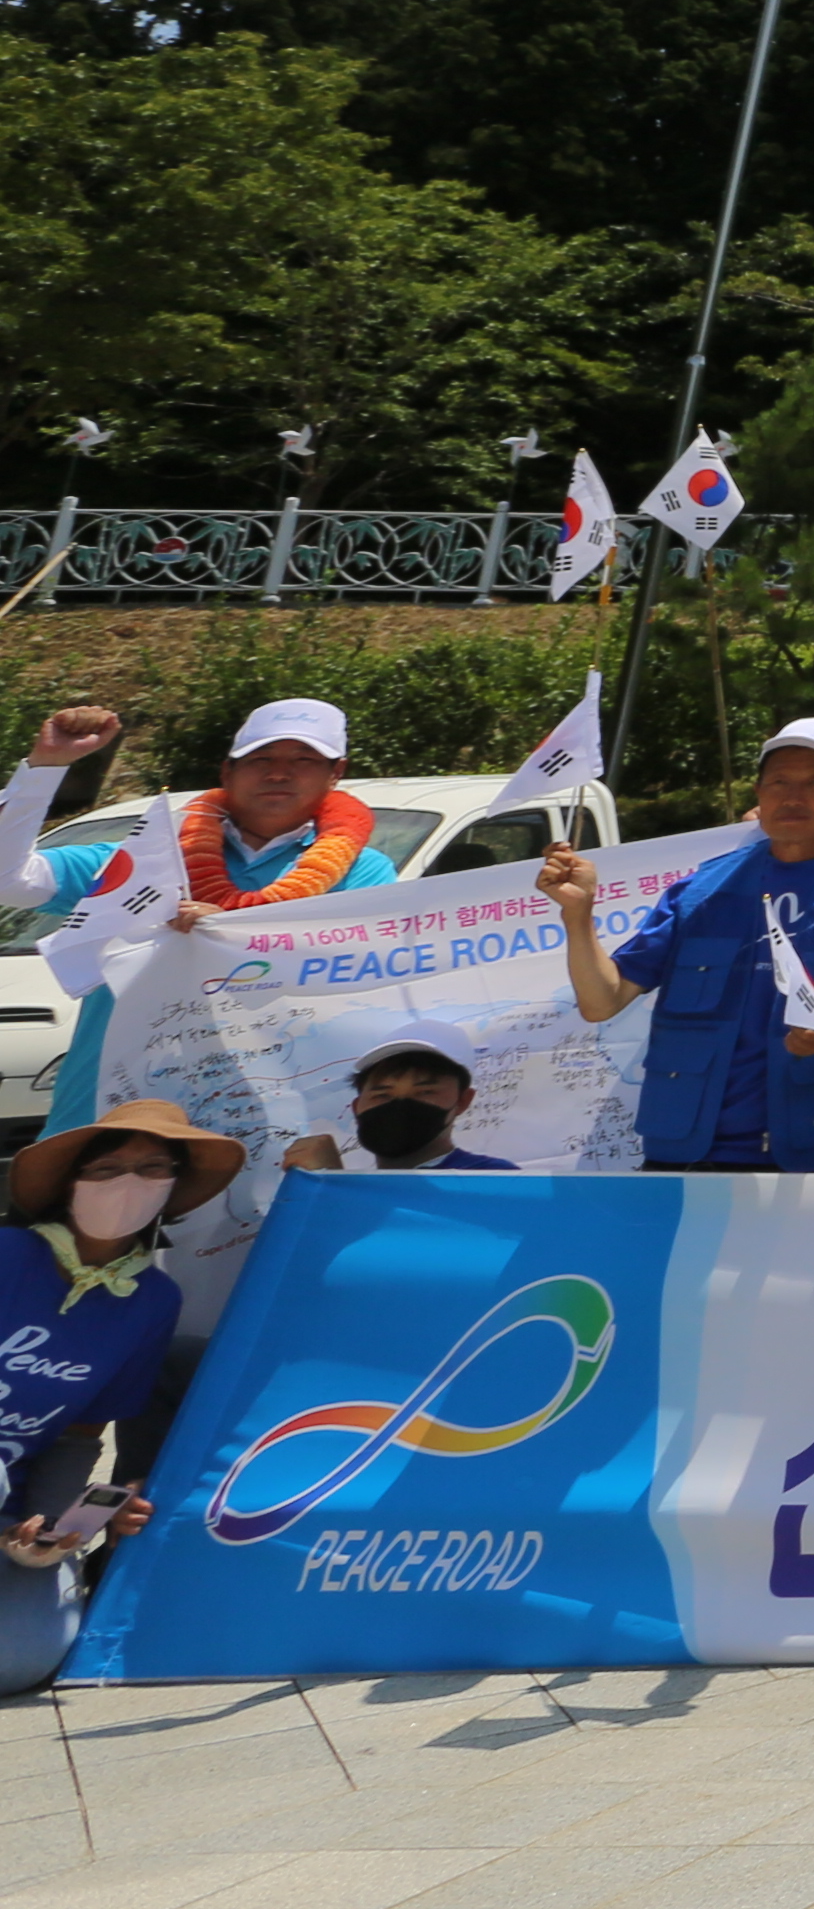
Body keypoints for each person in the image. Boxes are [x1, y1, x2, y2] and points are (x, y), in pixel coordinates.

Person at [545, 717, 814, 1170]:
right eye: (779, 781)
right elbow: (601, 1002)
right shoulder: (700, 889)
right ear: (759, 793)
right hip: (685, 1156)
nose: (793, 796)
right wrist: (578, 915)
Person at [18, 693, 408, 1128]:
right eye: (260, 758)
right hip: (106, 1116)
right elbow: (10, 880)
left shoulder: (363, 871)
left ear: (336, 774)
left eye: (304, 759)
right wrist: (46, 765)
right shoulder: (147, 853)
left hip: (265, 1127)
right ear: (228, 771)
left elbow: (364, 974)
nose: (279, 772)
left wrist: (231, 934)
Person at [0, 1096, 245, 1696]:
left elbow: (82, 1435)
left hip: (12, 1509)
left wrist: (59, 1527)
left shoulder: (153, 1301)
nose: (129, 1184)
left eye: (154, 1169)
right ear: (69, 1183)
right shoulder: (8, 1256)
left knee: (23, 1660)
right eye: (107, 1169)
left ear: (174, 1187)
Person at [276, 1029, 515, 1178]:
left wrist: (330, 1184)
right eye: (382, 1095)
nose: (400, 1105)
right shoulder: (367, 1186)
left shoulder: (495, 1179)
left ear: (462, 1101)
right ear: (357, 1107)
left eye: (424, 1092)